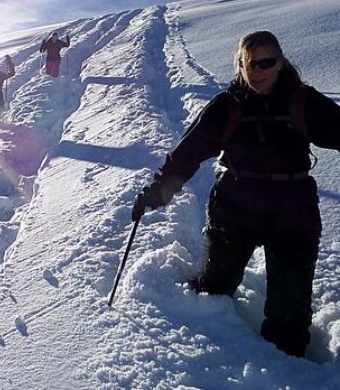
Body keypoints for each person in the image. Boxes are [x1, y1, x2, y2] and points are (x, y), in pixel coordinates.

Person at [132, 30, 340, 357]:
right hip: (235, 207)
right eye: (249, 64)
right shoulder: (228, 106)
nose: (257, 71)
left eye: (266, 63)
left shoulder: (303, 101)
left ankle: (285, 371)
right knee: (214, 288)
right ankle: (215, 354)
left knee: (289, 314)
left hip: (293, 213)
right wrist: (159, 189)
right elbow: (189, 152)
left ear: (281, 62)